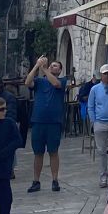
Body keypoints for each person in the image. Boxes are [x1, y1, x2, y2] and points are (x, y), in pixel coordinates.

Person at [25, 54, 68, 192]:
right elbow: (27, 82)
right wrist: (37, 66)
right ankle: (36, 181)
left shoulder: (62, 80)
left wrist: (45, 69)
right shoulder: (39, 81)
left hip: (54, 122)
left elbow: (55, 84)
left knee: (53, 151)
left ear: (60, 70)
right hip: (38, 121)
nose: (52, 66)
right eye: (51, 65)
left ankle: (55, 180)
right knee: (38, 152)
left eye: (55, 66)